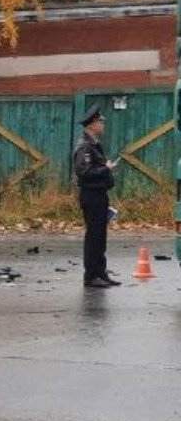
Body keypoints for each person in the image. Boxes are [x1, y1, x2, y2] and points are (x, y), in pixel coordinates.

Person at [72, 105, 120, 288]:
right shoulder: (84, 146)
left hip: (99, 195)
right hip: (91, 196)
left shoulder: (93, 144)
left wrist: (105, 169)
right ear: (92, 124)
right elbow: (84, 172)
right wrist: (106, 168)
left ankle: (101, 272)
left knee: (100, 236)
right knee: (93, 236)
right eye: (100, 121)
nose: (103, 124)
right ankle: (91, 276)